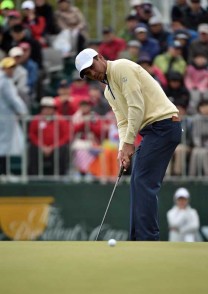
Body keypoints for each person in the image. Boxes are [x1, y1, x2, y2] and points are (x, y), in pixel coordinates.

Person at [75, 48, 182, 241]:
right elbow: (123, 122)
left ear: (100, 57)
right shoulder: (108, 91)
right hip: (154, 131)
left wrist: (129, 143)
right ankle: (137, 238)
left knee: (143, 181)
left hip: (165, 126)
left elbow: (136, 106)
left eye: (92, 67)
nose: (93, 73)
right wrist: (122, 149)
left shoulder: (121, 67)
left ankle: (147, 238)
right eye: (88, 73)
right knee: (136, 181)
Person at [28, 96, 70, 175]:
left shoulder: (61, 120)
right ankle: (34, 177)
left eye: (50, 108)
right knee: (32, 148)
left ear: (54, 109)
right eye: (45, 108)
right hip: (40, 147)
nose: (47, 110)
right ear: (41, 109)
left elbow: (66, 136)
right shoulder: (36, 119)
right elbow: (32, 135)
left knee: (63, 149)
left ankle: (59, 177)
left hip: (56, 147)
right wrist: (42, 146)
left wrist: (53, 147)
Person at [0, 57, 27, 174]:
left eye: (13, 67)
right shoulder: (4, 81)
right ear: (3, 68)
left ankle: (4, 172)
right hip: (5, 118)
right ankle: (3, 173)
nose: (12, 70)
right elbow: (13, 99)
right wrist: (23, 111)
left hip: (5, 116)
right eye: (9, 68)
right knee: (5, 145)